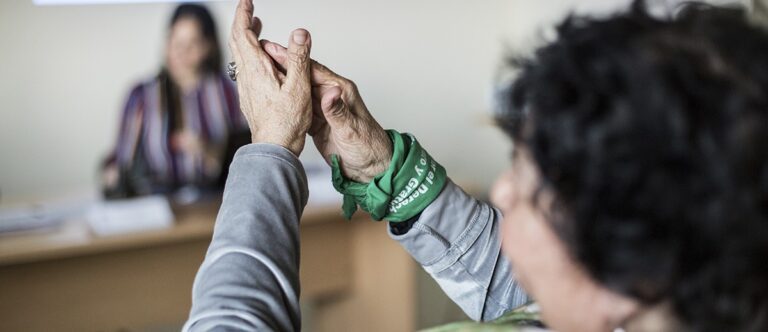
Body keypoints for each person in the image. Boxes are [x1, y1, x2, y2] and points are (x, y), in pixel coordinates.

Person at [184, 0, 768, 331]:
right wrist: (381, 165)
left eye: (535, 188)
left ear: (634, 270)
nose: (504, 188)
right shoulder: (632, 307)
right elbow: (520, 290)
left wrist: (270, 148)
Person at [102, 3, 247, 198]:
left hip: (214, 199)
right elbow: (121, 159)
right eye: (174, 40)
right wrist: (113, 175)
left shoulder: (228, 92)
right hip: (156, 199)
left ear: (208, 46)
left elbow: (244, 155)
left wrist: (210, 152)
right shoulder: (141, 96)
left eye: (192, 43)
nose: (180, 52)